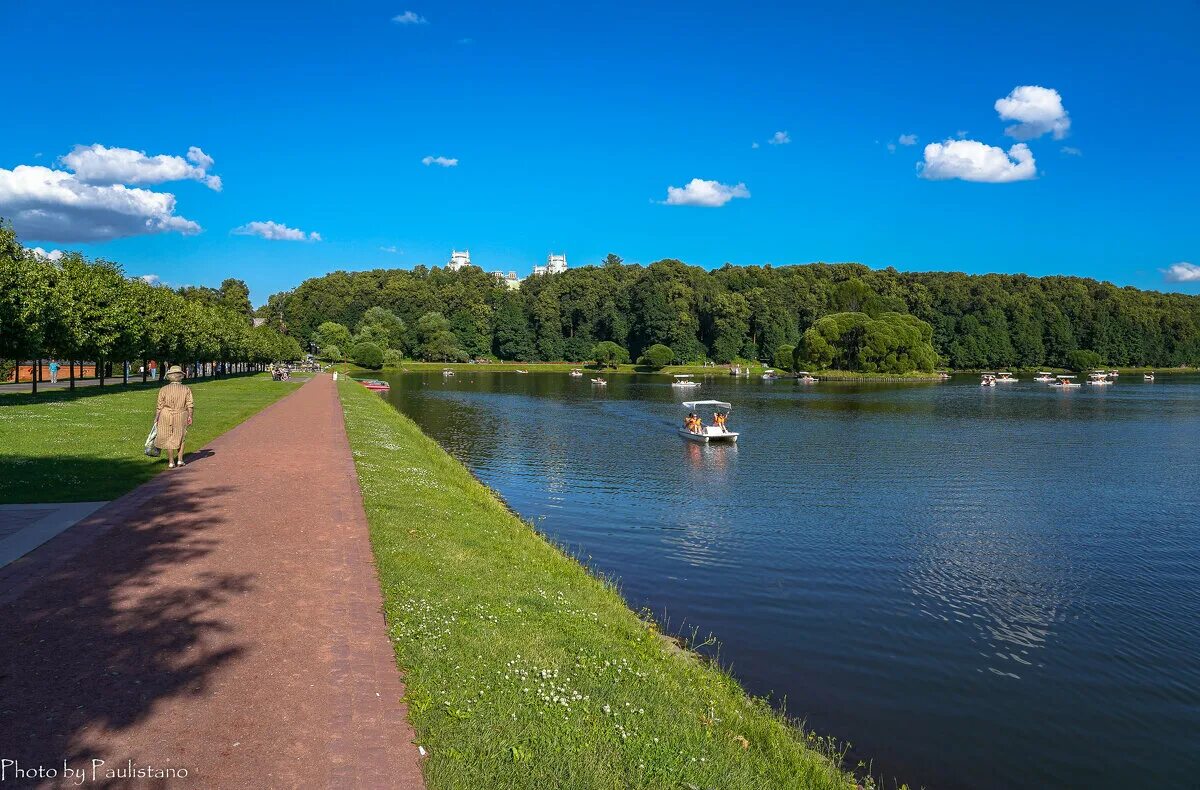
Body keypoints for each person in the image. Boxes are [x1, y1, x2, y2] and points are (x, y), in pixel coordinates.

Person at [154, 365, 194, 469]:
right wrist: (190, 416)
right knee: (181, 437)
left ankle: (171, 462)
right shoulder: (186, 389)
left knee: (168, 437)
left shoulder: (163, 389)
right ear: (180, 376)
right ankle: (180, 460)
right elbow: (190, 404)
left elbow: (159, 406)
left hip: (165, 414)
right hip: (181, 414)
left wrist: (157, 417)